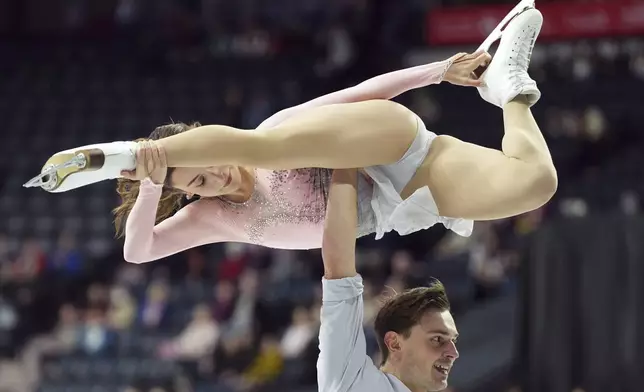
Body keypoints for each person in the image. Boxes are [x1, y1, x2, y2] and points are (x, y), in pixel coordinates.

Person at [25, 2, 554, 264]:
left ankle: (127, 154)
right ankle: (511, 86)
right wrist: (150, 185)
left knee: (264, 142)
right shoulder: (210, 218)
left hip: (381, 137)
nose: (216, 175)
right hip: (405, 191)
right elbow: (138, 251)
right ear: (189, 194)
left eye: (206, 160)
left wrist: (439, 71)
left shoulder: (262, 138)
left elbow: (359, 94)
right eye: (201, 182)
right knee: (534, 184)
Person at [318, 168, 459, 392]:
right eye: (438, 340)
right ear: (394, 343)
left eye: (451, 340)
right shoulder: (352, 382)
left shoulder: (348, 382)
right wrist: (345, 158)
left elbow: (338, 265)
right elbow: (338, 265)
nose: (454, 352)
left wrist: (345, 159)